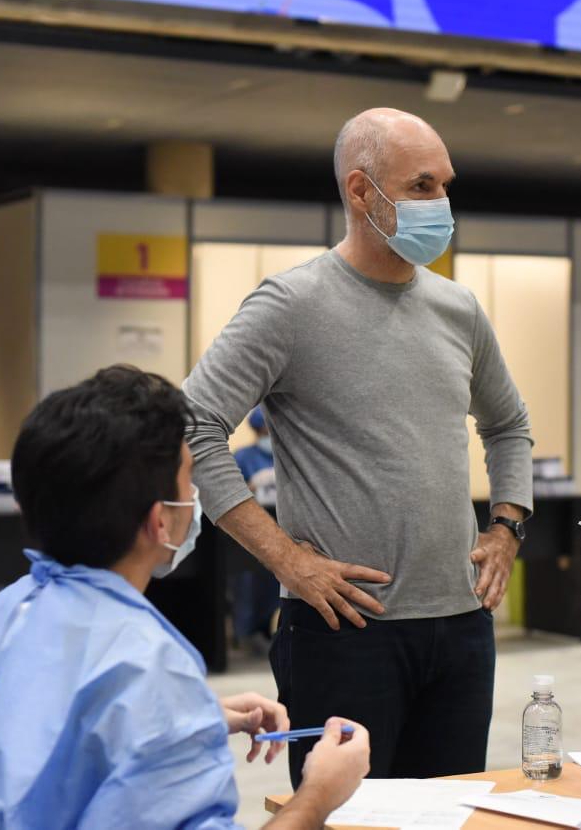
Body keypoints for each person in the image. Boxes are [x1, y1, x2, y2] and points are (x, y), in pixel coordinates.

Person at [183, 107, 533, 785]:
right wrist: (286, 559)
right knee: (347, 817)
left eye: (445, 186)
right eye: (422, 186)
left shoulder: (458, 309)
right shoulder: (291, 304)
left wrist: (506, 527)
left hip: (462, 625)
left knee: (447, 814)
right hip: (343, 629)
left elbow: (509, 424)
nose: (441, 203)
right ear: (360, 190)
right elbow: (193, 424)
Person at [0, 366, 370, 828]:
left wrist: (186, 721)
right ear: (160, 521)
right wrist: (320, 791)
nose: (195, 496)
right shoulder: (147, 663)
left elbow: (32, 732)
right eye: (189, 480)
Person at [233, 406, 281, 646]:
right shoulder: (243, 457)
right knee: (248, 581)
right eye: (263, 432)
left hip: (282, 527)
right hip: (249, 529)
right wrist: (251, 487)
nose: (267, 436)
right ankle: (246, 633)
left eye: (269, 431)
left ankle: (268, 630)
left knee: (277, 582)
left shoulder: (286, 456)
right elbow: (230, 492)